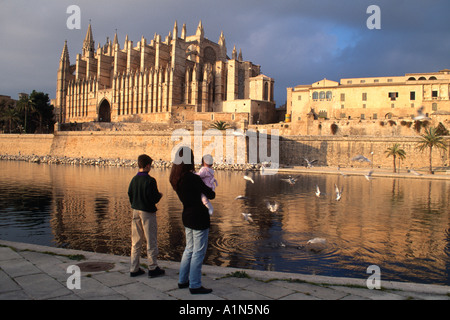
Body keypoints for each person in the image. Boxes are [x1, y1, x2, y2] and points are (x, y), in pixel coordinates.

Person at [169, 147, 215, 294]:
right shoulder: (193, 178)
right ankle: (195, 285)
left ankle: (183, 280)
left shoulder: (176, 179)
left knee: (189, 249)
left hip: (187, 215)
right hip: (199, 218)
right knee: (198, 252)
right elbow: (211, 194)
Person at [128, 154, 164, 278]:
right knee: (151, 240)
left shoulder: (134, 179)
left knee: (136, 241)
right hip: (147, 213)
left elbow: (130, 194)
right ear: (148, 166)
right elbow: (153, 198)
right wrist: (159, 195)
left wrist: (135, 203)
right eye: (151, 166)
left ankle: (134, 268)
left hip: (135, 211)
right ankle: (153, 267)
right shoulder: (150, 180)